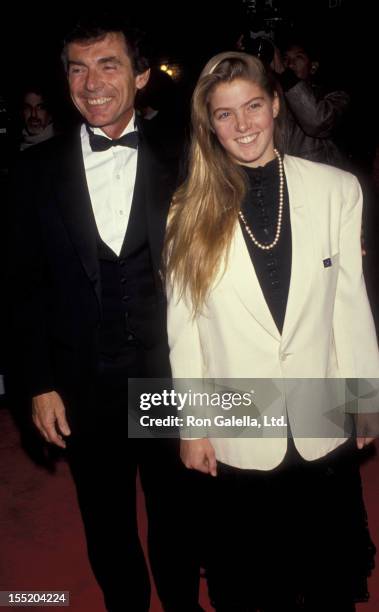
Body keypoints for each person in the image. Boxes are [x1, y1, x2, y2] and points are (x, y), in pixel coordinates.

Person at [164, 51, 379, 611]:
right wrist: (193, 426)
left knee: (331, 581)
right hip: (239, 425)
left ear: (276, 104)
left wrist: (365, 397)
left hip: (321, 417)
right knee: (256, 588)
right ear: (209, 124)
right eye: (225, 114)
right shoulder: (186, 209)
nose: (243, 125)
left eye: (253, 106)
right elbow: (183, 329)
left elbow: (351, 305)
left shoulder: (338, 190)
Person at [7, 13, 201, 612]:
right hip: (82, 383)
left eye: (108, 64)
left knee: (180, 513)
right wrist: (37, 383)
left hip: (170, 376)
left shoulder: (189, 158)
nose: (91, 82)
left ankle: (181, 602)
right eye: (77, 67)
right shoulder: (32, 171)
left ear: (141, 75)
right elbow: (20, 288)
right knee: (105, 520)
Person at [19, 85, 55, 151]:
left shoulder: (61, 148)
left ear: (50, 113)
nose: (33, 114)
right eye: (28, 107)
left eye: (40, 108)